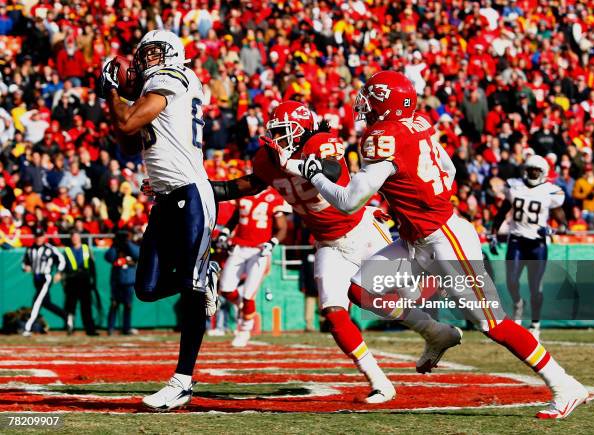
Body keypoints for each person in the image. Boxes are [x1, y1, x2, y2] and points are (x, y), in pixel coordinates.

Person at [299, 71, 588, 419]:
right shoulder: (416, 124)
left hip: (443, 238)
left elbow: (348, 201)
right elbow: (448, 170)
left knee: (491, 323)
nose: (364, 105)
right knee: (360, 291)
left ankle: (564, 384)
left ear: (383, 103)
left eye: (370, 98)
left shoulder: (383, 137)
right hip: (414, 238)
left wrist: (314, 174)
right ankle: (436, 334)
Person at [208, 101, 460, 404]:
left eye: (284, 132)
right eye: (275, 132)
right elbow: (247, 185)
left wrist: (292, 163)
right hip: (328, 243)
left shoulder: (321, 142)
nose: (278, 139)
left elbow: (330, 169)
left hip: (362, 230)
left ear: (302, 129)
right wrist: (204, 188)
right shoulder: (268, 158)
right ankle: (379, 381)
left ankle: (436, 331)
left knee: (396, 293)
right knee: (334, 312)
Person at [100, 29, 219, 411]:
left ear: (171, 54)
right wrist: (118, 97)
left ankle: (182, 380)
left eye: (155, 51)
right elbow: (125, 140)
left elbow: (126, 124)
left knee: (190, 290)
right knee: (147, 288)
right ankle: (206, 277)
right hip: (168, 198)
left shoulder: (171, 77)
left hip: (190, 193)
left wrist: (113, 93)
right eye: (144, 53)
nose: (147, 59)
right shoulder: (160, 85)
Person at [490, 155, 567, 340]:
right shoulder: (514, 186)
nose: (533, 173)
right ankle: (518, 303)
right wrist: (493, 233)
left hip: (537, 244)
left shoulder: (551, 191)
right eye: (530, 169)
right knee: (512, 282)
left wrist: (555, 229)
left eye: (536, 170)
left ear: (543, 173)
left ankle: (535, 324)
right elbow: (502, 211)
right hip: (516, 240)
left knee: (535, 287)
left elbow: (562, 221)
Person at [217, 186, 289, 347]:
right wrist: (225, 233)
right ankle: (242, 305)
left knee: (249, 294)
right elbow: (237, 217)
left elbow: (282, 227)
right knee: (226, 289)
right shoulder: (244, 192)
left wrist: (273, 242)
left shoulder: (274, 196)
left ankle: (244, 330)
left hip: (259, 250)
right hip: (239, 247)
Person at [21, 228, 67, 336]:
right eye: (37, 236)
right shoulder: (30, 249)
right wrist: (26, 267)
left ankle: (28, 327)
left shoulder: (50, 249)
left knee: (36, 302)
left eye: (40, 236)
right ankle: (66, 316)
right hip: (36, 278)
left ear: (44, 237)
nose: (38, 239)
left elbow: (61, 260)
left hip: (46, 278)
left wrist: (59, 272)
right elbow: (25, 262)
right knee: (46, 303)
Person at [104, 230, 140, 335]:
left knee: (128, 305)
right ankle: (110, 328)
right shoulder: (115, 247)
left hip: (128, 280)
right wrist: (115, 245)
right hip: (116, 280)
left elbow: (137, 254)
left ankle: (126, 328)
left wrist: (127, 243)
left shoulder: (132, 245)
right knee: (114, 304)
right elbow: (108, 257)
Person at [63, 230, 98, 336]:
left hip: (84, 279)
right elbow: (64, 267)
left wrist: (93, 281)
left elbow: (92, 267)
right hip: (72, 280)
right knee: (71, 306)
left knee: (86, 306)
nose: (75, 239)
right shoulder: (67, 250)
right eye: (73, 237)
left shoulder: (86, 249)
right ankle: (70, 327)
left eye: (76, 237)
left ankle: (89, 329)